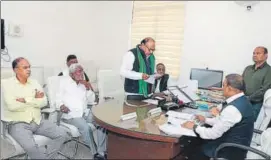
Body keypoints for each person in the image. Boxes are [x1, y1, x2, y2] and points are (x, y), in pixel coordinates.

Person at [2, 57, 70, 159]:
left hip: (38, 121)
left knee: (62, 134)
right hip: (18, 124)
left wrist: (26, 100)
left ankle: (47, 157)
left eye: (29, 67)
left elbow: (43, 102)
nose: (29, 69)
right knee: (31, 147)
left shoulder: (35, 82)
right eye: (25, 67)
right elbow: (12, 106)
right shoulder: (6, 84)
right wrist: (34, 99)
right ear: (16, 70)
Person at [182, 74, 254, 160]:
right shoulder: (243, 100)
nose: (222, 88)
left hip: (229, 151)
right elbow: (222, 121)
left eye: (224, 85)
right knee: (196, 141)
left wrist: (194, 126)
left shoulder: (232, 109)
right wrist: (205, 120)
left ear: (230, 88)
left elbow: (213, 134)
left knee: (194, 150)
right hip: (235, 143)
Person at [56, 63, 107, 160]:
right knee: (85, 127)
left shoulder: (83, 84)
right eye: (79, 71)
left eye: (82, 71)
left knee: (102, 123)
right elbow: (57, 99)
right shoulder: (63, 83)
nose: (82, 73)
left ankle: (101, 151)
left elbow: (92, 100)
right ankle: (95, 153)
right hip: (71, 115)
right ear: (71, 74)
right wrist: (61, 105)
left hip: (84, 112)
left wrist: (88, 88)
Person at [242, 46, 271, 121]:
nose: (255, 55)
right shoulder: (248, 68)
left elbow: (265, 89)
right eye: (254, 53)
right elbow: (240, 83)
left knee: (249, 122)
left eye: (258, 53)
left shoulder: (269, 70)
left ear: (266, 56)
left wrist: (249, 98)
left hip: (256, 104)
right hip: (243, 100)